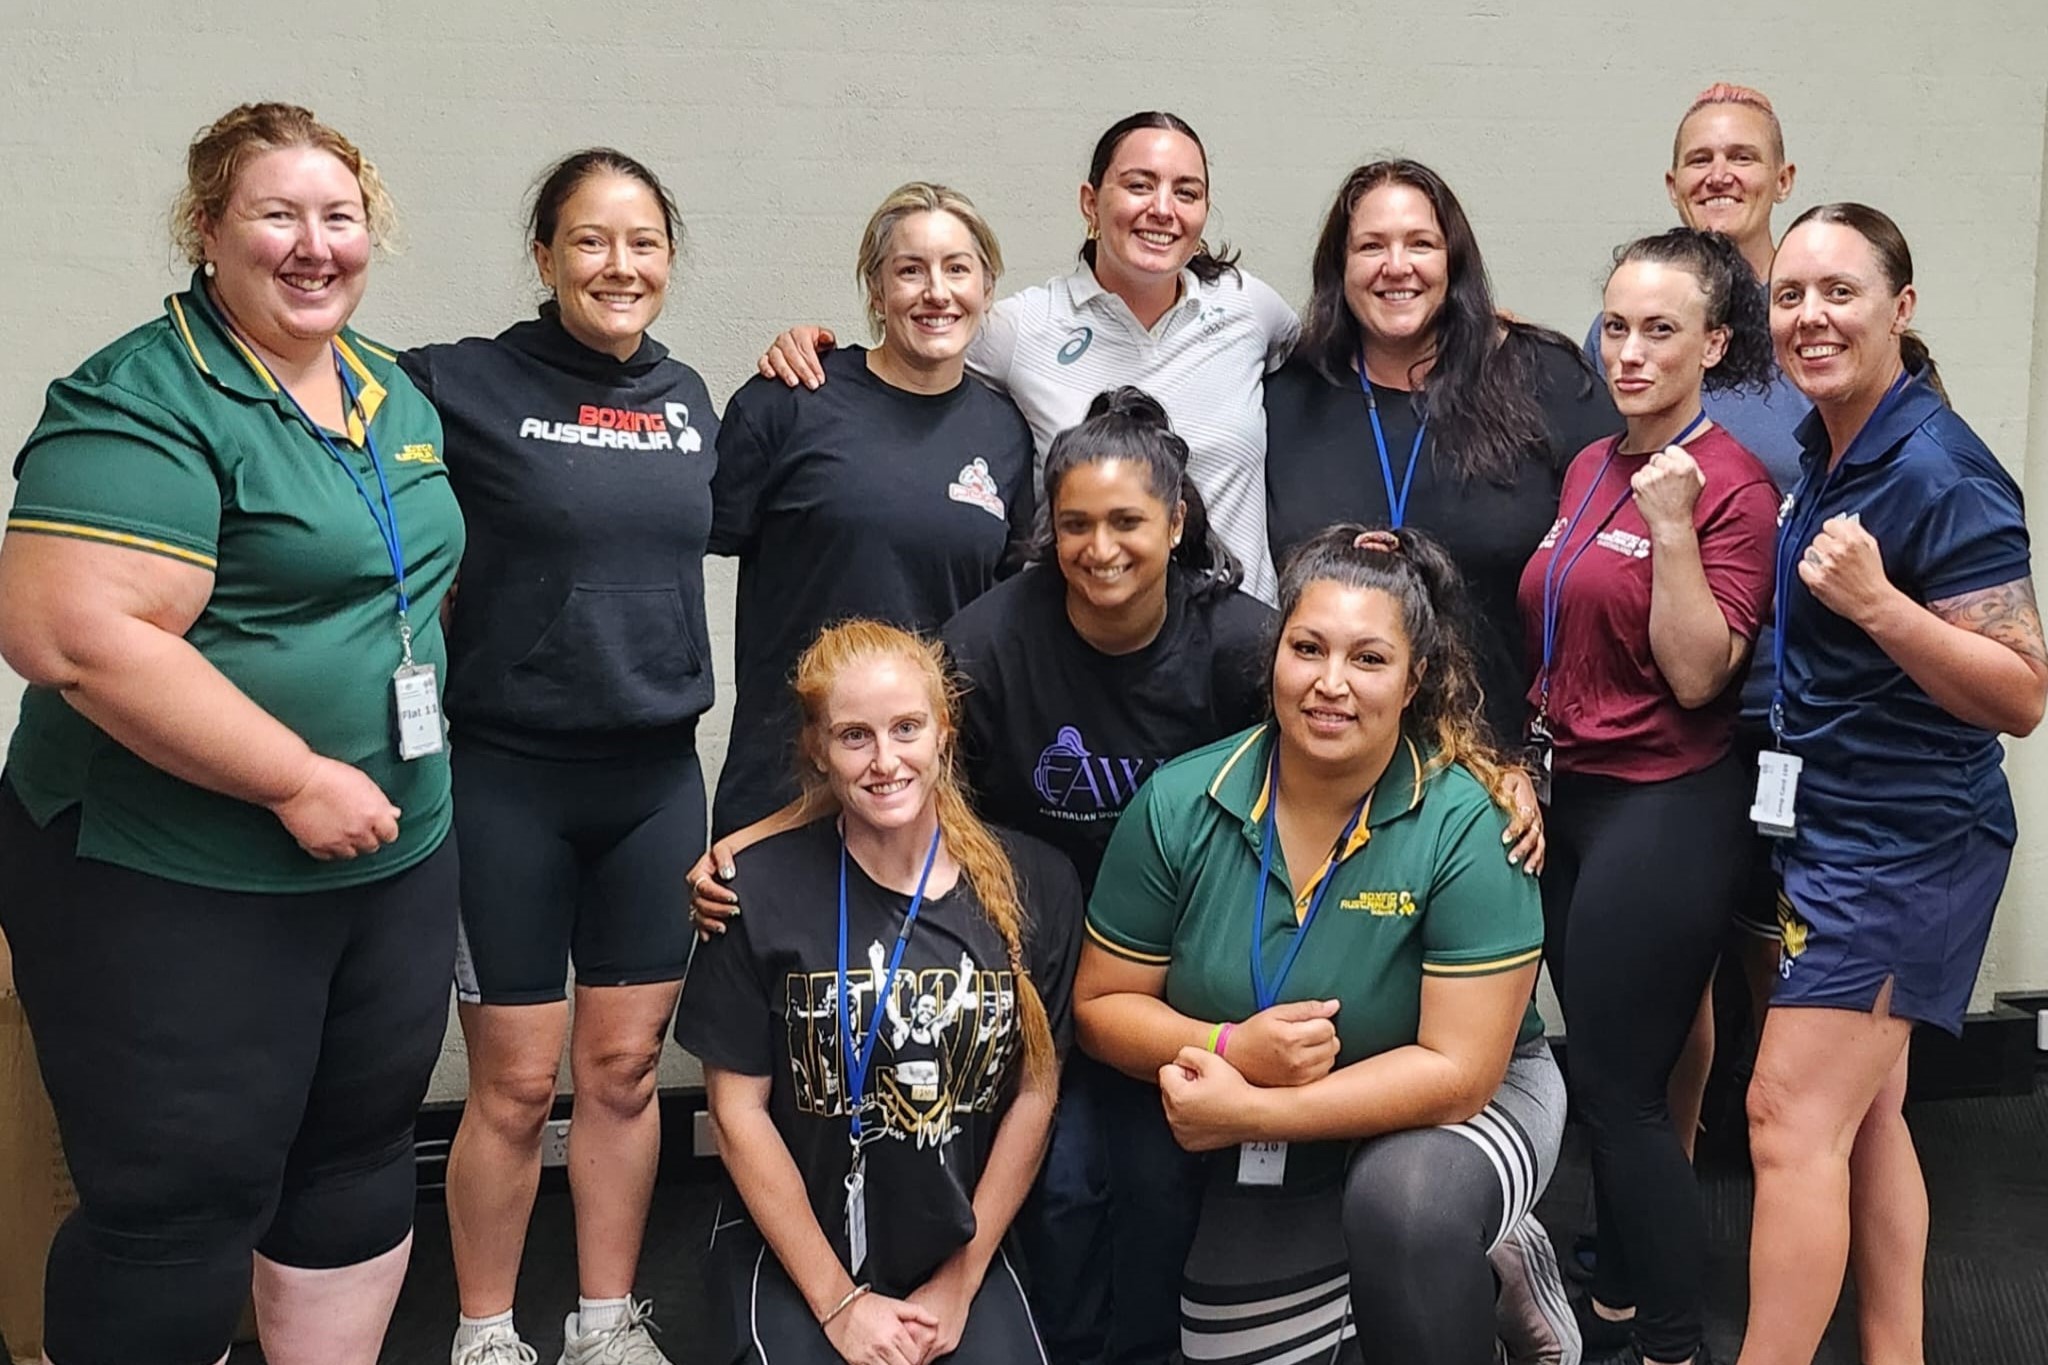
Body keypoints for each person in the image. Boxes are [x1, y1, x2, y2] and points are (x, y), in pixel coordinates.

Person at [0, 103, 462, 1365]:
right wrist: (297, 773)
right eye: (276, 215)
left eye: (339, 218)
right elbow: (69, 634)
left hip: (393, 856)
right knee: (177, 1206)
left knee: (359, 1160)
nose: (314, 247)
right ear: (207, 232)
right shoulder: (143, 396)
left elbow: (404, 583)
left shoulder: (388, 390)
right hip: (176, 871)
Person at [692, 386, 1273, 1365]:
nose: (1100, 549)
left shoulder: (1240, 639)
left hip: (1163, 970)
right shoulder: (992, 639)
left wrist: (1493, 773)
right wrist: (753, 842)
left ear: (1176, 523)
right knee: (1063, 1184)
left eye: (1126, 522)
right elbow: (886, 750)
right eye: (1076, 524)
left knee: (1160, 1175)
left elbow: (1362, 720)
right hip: (1022, 946)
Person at [1077, 526, 1569, 1365]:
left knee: (1406, 1210)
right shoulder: (1182, 802)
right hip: (1276, 1139)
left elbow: (1458, 1071)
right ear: (1275, 657)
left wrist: (1255, 1109)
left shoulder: (1471, 821)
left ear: (1415, 679)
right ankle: (1455, 1272)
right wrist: (1229, 1046)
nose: (1330, 684)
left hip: (1464, 1111)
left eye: (1369, 659)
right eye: (1307, 648)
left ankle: (1484, 1254)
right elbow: (1100, 1006)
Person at [398, 149, 717, 1365]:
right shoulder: (458, 383)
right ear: (544, 257)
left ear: (669, 260)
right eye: (589, 241)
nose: (617, 265)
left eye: (641, 243)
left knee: (627, 1070)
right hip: (507, 781)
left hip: (650, 779)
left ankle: (603, 1320)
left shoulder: (690, 395)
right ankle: (484, 1328)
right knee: (518, 1087)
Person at [1739, 205, 2046, 1365]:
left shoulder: (1937, 468)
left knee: (1783, 1120)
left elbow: (2020, 693)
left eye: (1838, 293)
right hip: (1834, 830)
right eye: (1788, 295)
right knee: (1863, 1119)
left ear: (1897, 309)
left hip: (1904, 846)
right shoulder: (1832, 438)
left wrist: (1878, 604)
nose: (1808, 317)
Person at [674, 620, 1083, 1365]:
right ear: (818, 750)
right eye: (855, 736)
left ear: (944, 734)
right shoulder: (752, 892)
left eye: (906, 729)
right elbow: (736, 1114)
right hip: (799, 1246)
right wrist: (838, 1303)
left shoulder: (1036, 884)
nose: (885, 759)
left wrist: (959, 1281)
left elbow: (1035, 1094)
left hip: (952, 1245)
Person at [1521, 228, 1780, 1365]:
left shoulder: (1730, 486)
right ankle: (1618, 1297)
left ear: (1712, 345)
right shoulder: (1588, 465)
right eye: (1616, 327)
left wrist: (1672, 526)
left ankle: (1673, 1343)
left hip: (1666, 804)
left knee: (1622, 1096)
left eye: (1659, 330)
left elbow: (1692, 672)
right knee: (1605, 1076)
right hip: (1570, 797)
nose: (1628, 352)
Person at [757, 111, 1299, 603]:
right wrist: (816, 352)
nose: (1162, 208)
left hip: (1237, 648)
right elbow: (918, 351)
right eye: (1139, 185)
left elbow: (1338, 371)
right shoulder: (1021, 329)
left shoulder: (1249, 308)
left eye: (1187, 192)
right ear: (1091, 202)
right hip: (1091, 650)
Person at [1263, 157, 1618, 861]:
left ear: (1454, 259)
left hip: (1503, 783)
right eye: (1371, 245)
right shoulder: (1281, 397)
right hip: (1325, 780)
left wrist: (1528, 756)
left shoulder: (1542, 380)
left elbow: (1611, 566)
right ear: (1340, 266)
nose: (1397, 266)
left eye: (1420, 243)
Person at [710, 181, 1035, 838]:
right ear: (877, 291)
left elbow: (1007, 619)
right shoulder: (793, 399)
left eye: (957, 269)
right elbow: (675, 537)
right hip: (786, 781)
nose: (936, 292)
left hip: (925, 789)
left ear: (987, 288)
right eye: (909, 270)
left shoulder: (1004, 433)